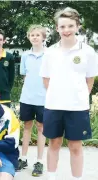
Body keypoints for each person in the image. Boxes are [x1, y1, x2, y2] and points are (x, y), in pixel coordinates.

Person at [40, 7, 98, 180]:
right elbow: (46, 80)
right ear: (57, 28)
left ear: (77, 26)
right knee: (54, 143)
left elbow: (90, 80)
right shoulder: (49, 52)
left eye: (70, 26)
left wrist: (79, 97)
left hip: (77, 108)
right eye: (62, 26)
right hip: (53, 106)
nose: (66, 30)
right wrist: (58, 95)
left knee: (75, 146)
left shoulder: (87, 51)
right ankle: (51, 177)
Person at [17, 25, 47, 177]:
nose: (34, 37)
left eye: (37, 35)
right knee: (27, 126)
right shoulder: (25, 56)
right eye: (32, 35)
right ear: (29, 37)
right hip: (27, 98)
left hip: (44, 99)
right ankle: (23, 158)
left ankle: (39, 161)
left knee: (41, 128)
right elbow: (24, 75)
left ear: (43, 37)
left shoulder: (49, 55)